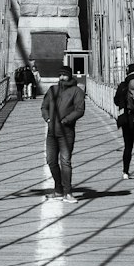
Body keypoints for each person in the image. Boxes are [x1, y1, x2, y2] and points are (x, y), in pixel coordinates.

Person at [40, 63, 85, 201]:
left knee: (65, 161)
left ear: (69, 75)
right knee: (51, 161)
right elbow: (44, 106)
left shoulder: (77, 91)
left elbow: (80, 110)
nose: (61, 77)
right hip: (51, 132)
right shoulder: (52, 90)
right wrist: (47, 119)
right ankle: (58, 189)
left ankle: (68, 192)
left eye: (64, 75)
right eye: (60, 75)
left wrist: (66, 120)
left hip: (66, 132)